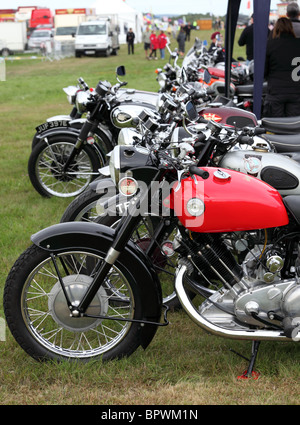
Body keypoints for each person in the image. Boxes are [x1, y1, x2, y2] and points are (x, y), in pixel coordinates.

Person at [263, 17, 300, 117]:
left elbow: (264, 71)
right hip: (296, 91)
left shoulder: (270, 44)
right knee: (294, 127)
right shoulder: (298, 44)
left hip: (276, 91)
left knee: (276, 127)